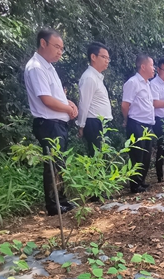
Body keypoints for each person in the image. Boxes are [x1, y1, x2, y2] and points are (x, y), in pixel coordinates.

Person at [24, 28, 78, 216]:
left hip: (57, 123)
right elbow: (46, 99)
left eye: (62, 48)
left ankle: (61, 200)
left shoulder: (49, 67)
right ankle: (53, 205)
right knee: (53, 164)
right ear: (43, 43)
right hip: (48, 123)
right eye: (57, 47)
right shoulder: (36, 67)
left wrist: (68, 103)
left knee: (60, 163)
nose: (60, 52)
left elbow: (57, 95)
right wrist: (68, 109)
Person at [121, 53, 155, 193]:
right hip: (136, 123)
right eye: (152, 65)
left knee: (146, 155)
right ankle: (134, 185)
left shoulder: (147, 84)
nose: (154, 69)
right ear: (143, 66)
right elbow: (125, 105)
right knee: (137, 155)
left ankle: (141, 181)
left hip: (148, 124)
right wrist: (127, 120)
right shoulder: (133, 82)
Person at [77, 42, 113, 156]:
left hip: (101, 123)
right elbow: (84, 103)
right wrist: (81, 125)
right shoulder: (89, 77)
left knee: (103, 157)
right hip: (94, 123)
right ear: (93, 57)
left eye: (108, 58)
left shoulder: (96, 77)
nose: (107, 61)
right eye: (104, 57)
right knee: (97, 158)